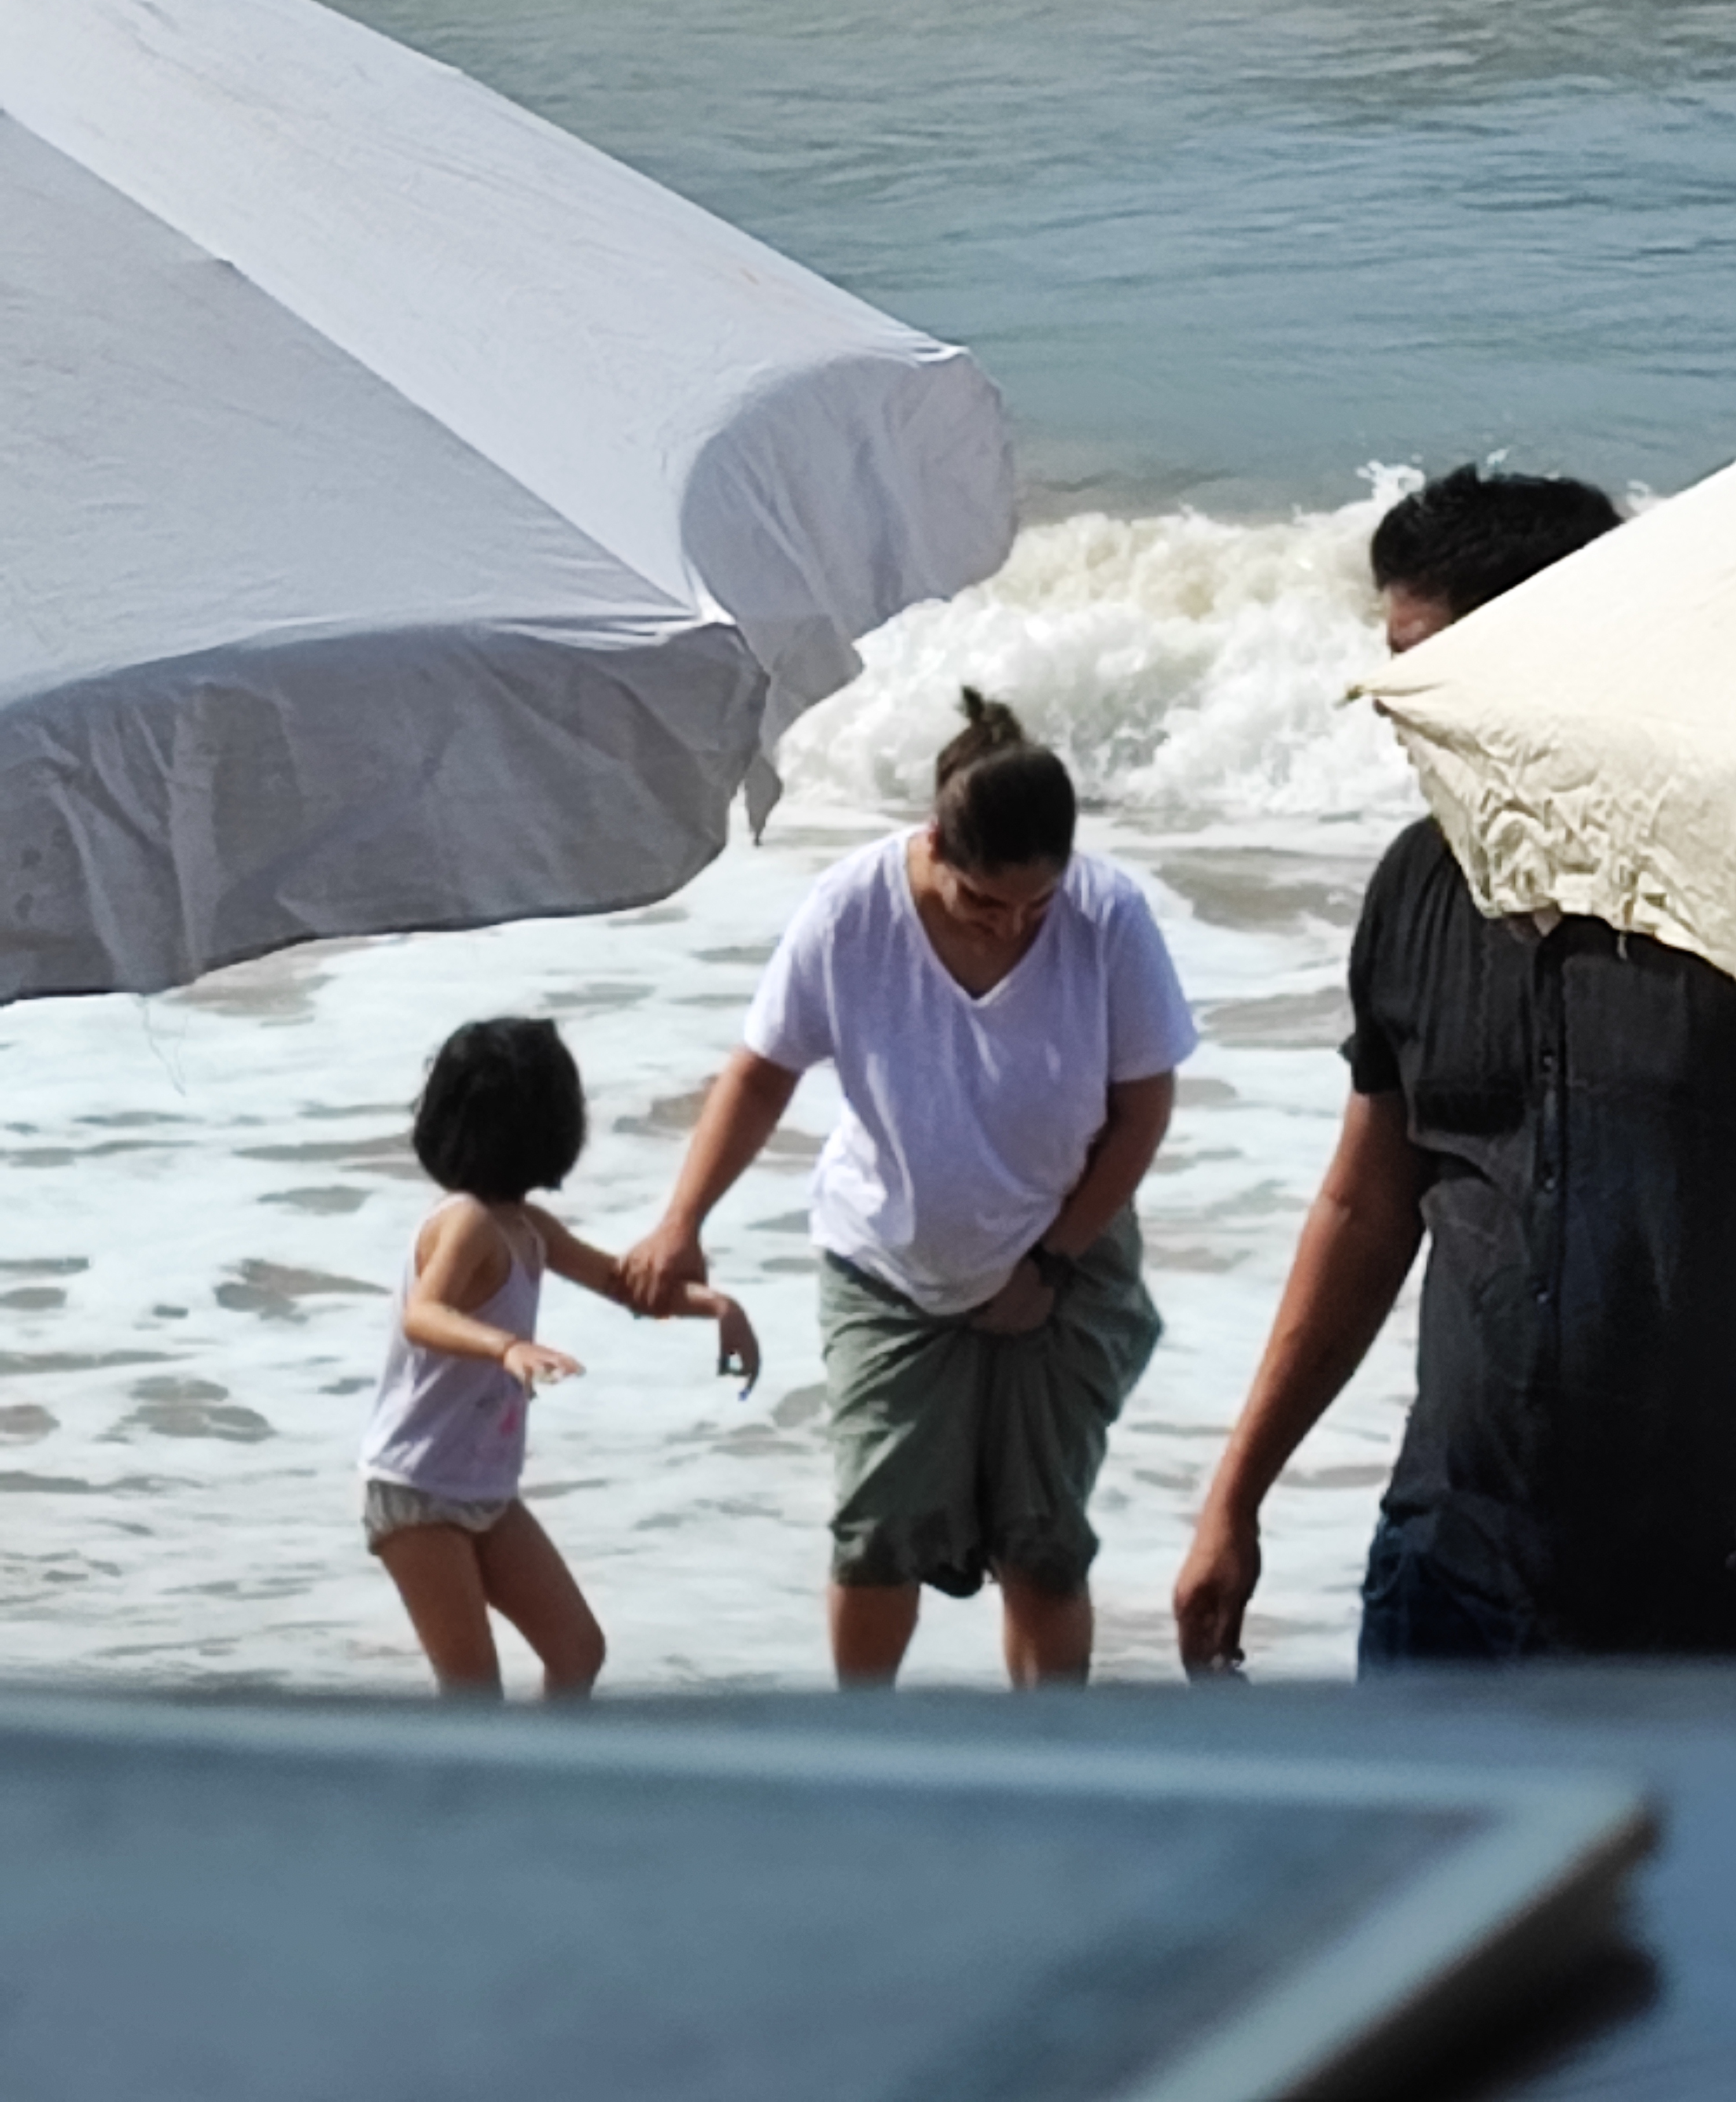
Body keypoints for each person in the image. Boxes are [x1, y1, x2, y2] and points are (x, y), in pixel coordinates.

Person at [1170, 463, 1736, 1672]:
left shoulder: (1711, 899)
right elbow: (1367, 1204)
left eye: (1427, 668)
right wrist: (1236, 1492)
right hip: (1449, 1564)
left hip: (1692, 1605)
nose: (1394, 706)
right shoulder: (1419, 884)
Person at [621, 690, 1197, 1687]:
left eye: (1036, 904)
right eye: (986, 902)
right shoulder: (853, 910)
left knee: (1042, 1538)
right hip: (888, 1259)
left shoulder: (1108, 918)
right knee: (880, 1529)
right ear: (935, 844)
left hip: (1065, 1249)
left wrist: (1051, 1261)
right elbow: (761, 1072)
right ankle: (864, 1760)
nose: (1015, 924)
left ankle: (1046, 1769)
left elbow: (1143, 1111)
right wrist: (683, 1221)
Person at [361, 1017, 760, 1697]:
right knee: (471, 1687)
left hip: (484, 1490)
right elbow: (423, 1314)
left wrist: (718, 1308)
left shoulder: (528, 1227)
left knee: (578, 1650)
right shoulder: (467, 1222)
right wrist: (506, 1345)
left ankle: (540, 1790)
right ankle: (461, 1803)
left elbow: (620, 1283)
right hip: (417, 1488)